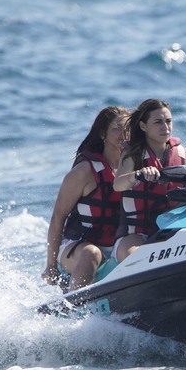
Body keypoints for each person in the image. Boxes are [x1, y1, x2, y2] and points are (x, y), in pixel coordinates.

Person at [42, 106, 130, 292]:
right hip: (77, 247)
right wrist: (50, 265)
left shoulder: (133, 170)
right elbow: (58, 217)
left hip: (115, 245)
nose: (123, 134)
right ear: (102, 134)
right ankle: (75, 308)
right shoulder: (84, 172)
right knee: (92, 253)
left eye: (128, 129)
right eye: (117, 128)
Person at [113, 99, 186, 261]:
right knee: (136, 259)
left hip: (171, 230)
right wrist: (137, 174)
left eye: (168, 121)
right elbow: (118, 184)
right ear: (143, 126)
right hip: (135, 234)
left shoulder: (183, 154)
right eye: (158, 122)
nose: (165, 127)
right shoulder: (133, 155)